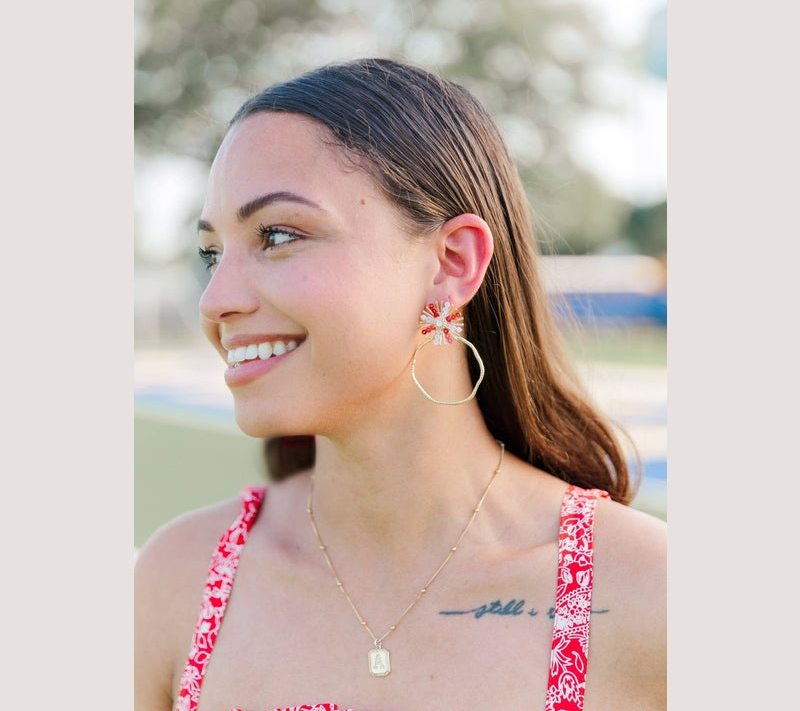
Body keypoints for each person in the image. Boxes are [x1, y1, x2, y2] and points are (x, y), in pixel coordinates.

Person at [134, 58, 666, 711]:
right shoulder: (177, 582)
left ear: (451, 264)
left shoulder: (652, 598)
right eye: (212, 253)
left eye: (276, 235)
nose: (215, 300)